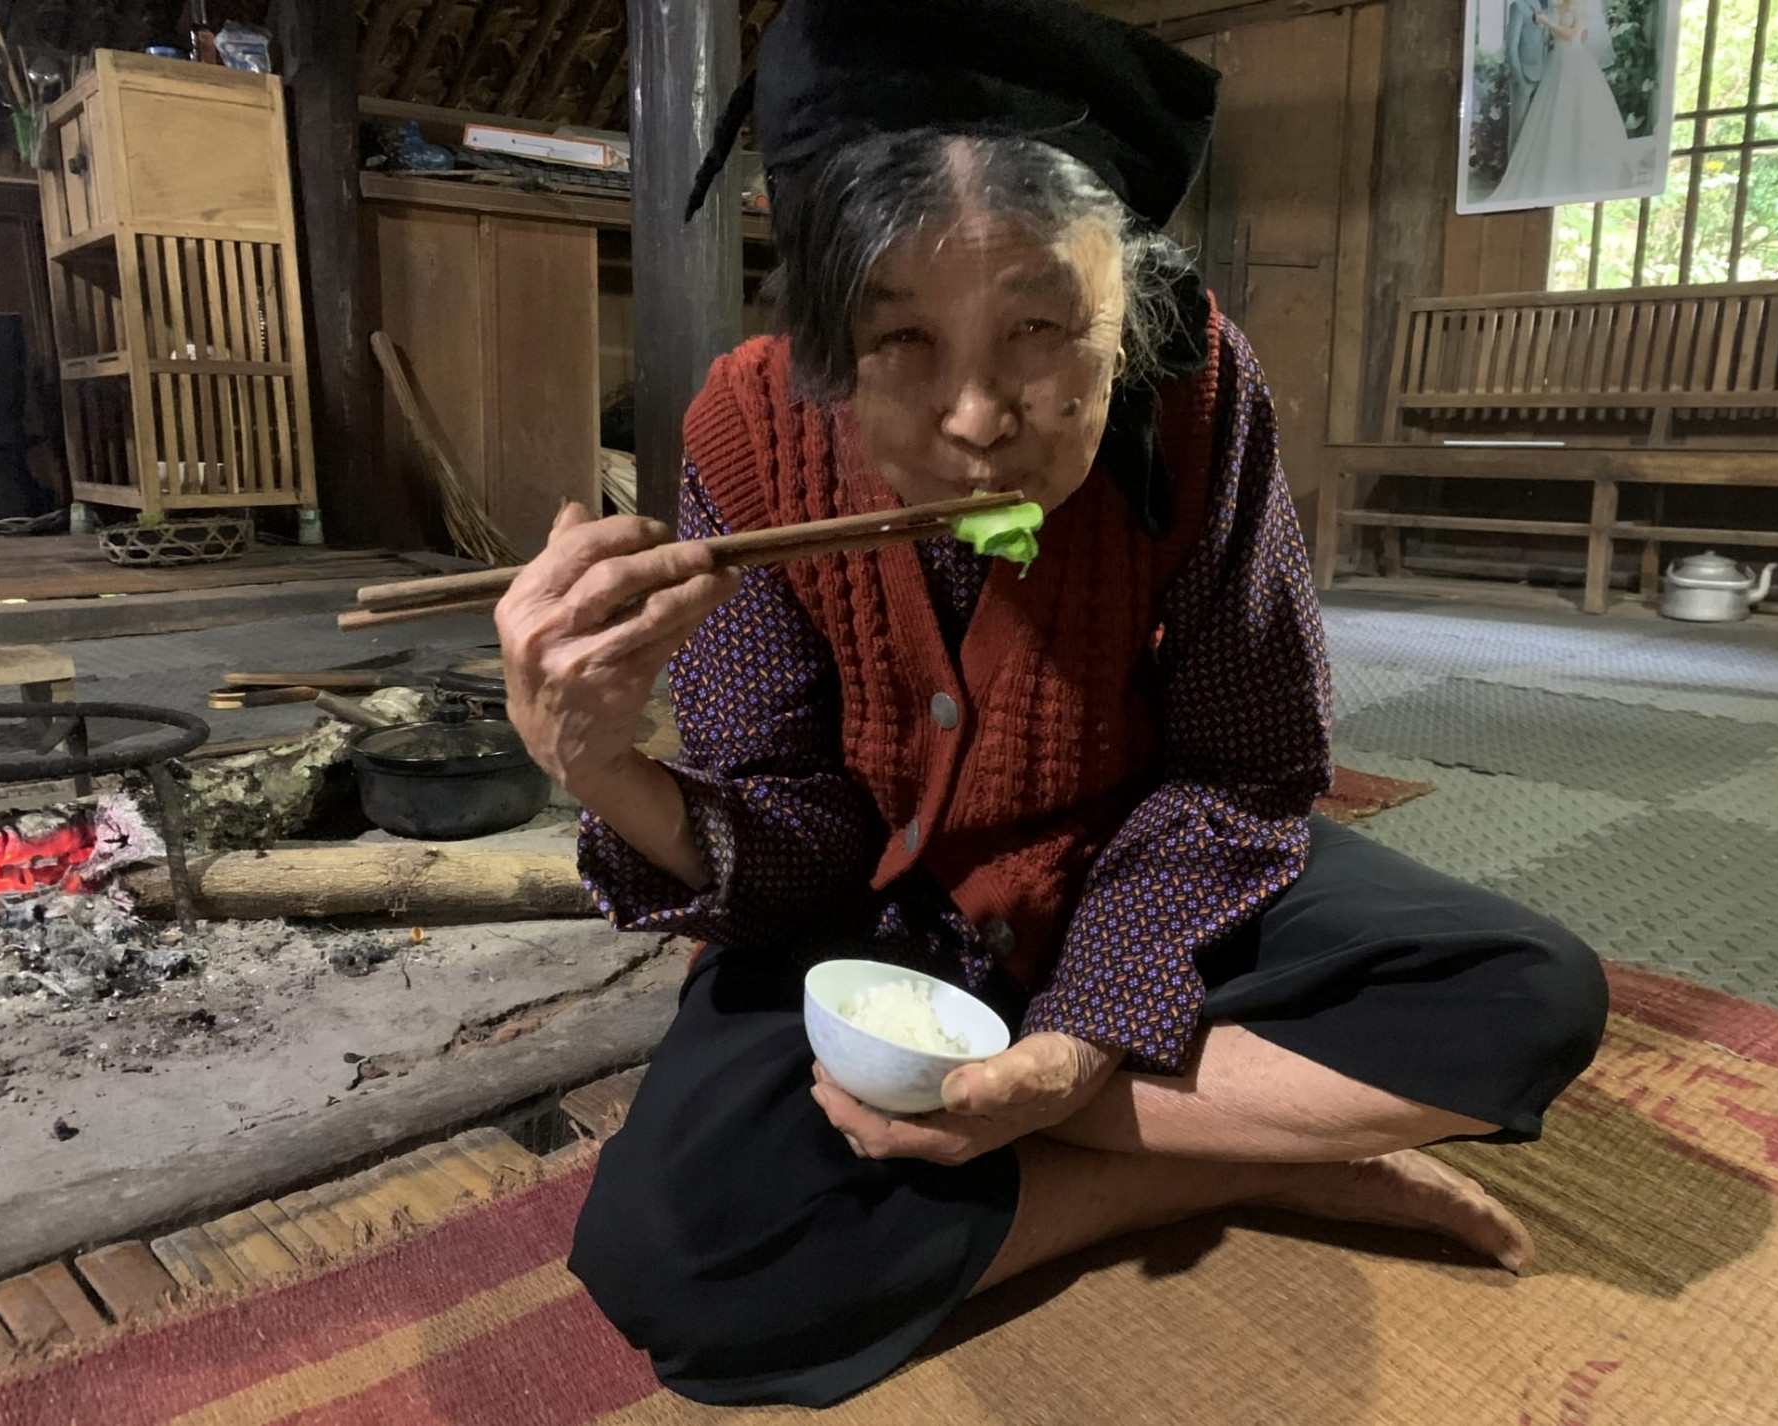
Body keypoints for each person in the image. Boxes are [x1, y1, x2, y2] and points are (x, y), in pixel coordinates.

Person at [497, 0, 1609, 1407]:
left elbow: (1245, 768)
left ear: (1126, 306)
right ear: (826, 337)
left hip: (1144, 864)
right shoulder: (749, 428)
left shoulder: (1199, 391)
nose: (976, 416)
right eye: (900, 338)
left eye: (1037, 326)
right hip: (880, 914)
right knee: (669, 1255)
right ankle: (1217, 1164)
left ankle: (1109, 1143)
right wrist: (600, 765)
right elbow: (798, 834)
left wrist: (1079, 1043)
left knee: (1523, 996)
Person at [1489, 0, 1633, 205]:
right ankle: (1526, 170)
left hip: (1574, 61)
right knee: (1548, 116)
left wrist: (1547, 23)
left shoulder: (1579, 8)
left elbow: (1572, 34)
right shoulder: (1552, 7)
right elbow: (1546, 37)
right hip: (1555, 62)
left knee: (1575, 112)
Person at [1505, 0, 1553, 151]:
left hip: (1544, 76)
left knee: (1537, 132)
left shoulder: (1550, 5)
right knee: (1518, 131)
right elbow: (1511, 47)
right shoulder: (1519, 6)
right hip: (1524, 77)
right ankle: (1513, 166)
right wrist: (1519, 79)